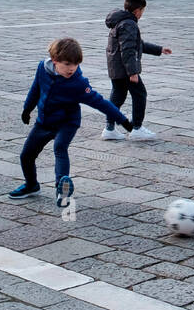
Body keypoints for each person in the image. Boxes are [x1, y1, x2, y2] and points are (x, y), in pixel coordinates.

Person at [11, 37, 132, 208]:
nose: (72, 69)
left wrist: (123, 120)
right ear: (54, 61)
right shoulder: (42, 68)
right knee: (26, 155)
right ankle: (31, 185)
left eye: (76, 64)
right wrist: (27, 108)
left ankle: (62, 189)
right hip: (44, 122)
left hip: (67, 123)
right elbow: (36, 88)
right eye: (67, 64)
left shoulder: (78, 84)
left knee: (60, 147)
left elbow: (100, 102)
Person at [103, 0, 172, 141]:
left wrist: (159, 49)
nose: (142, 14)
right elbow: (128, 50)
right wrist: (132, 72)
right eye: (142, 11)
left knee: (118, 96)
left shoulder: (120, 21)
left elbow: (137, 45)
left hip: (116, 67)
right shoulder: (130, 24)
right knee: (140, 94)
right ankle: (137, 128)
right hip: (125, 69)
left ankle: (109, 128)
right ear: (137, 10)